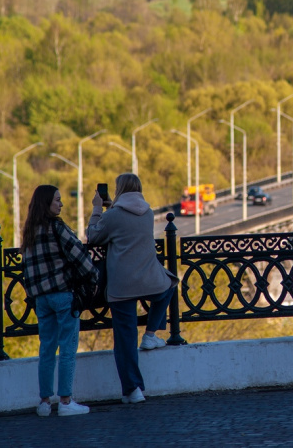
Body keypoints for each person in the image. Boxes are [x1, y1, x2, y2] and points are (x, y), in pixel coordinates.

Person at [87, 173, 177, 404]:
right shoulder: (148, 213)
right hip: (150, 280)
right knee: (170, 284)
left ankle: (133, 390)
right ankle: (150, 334)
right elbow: (126, 216)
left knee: (125, 339)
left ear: (119, 189)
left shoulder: (113, 215)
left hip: (122, 286)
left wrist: (98, 209)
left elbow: (93, 236)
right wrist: (112, 206)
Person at [21, 185, 99, 417]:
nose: (61, 204)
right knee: (67, 347)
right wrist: (94, 277)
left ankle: (44, 402)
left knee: (46, 348)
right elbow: (79, 255)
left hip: (41, 299)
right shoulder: (56, 227)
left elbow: (26, 269)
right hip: (63, 295)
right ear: (47, 203)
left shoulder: (29, 232)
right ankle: (65, 401)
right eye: (57, 200)